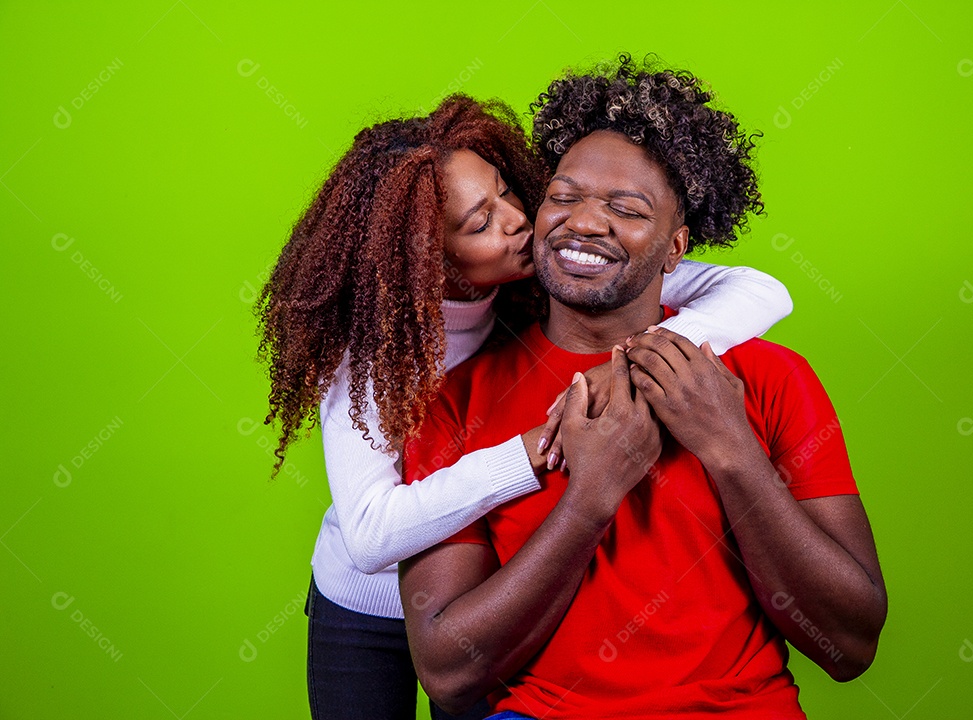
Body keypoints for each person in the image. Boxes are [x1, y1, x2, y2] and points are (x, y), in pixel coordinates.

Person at [255, 93, 795, 719]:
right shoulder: (372, 352)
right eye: (478, 223)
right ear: (425, 258)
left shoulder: (550, 273)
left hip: (478, 592)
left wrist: (640, 360)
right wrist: (540, 448)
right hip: (369, 606)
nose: (515, 220)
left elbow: (759, 289)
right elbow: (373, 534)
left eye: (508, 192)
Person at [400, 57, 887, 719]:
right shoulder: (453, 402)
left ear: (675, 248)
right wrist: (591, 495)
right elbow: (448, 673)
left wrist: (730, 449)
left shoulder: (771, 378)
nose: (585, 222)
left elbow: (850, 645)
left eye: (626, 210)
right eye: (563, 197)